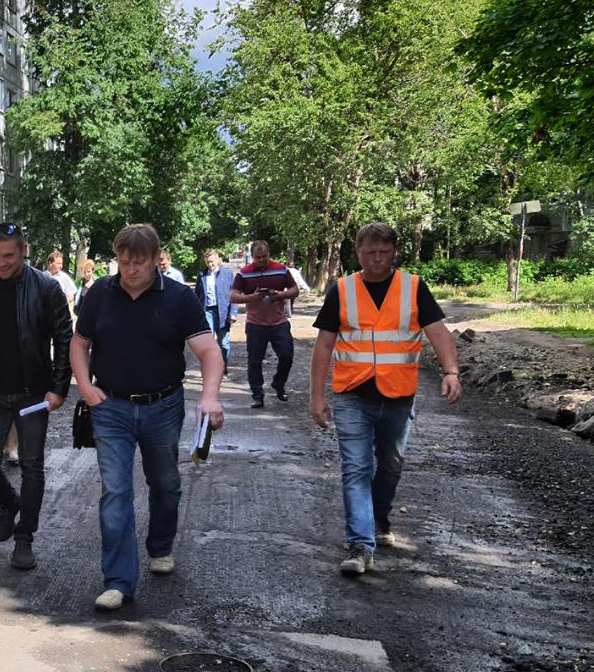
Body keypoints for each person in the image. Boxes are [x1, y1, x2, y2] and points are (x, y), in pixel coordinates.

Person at [71, 224, 225, 611]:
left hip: (163, 406)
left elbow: (209, 352)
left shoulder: (178, 297)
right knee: (116, 492)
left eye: (137, 262)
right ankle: (118, 581)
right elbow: (79, 343)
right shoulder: (100, 294)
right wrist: (86, 388)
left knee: (165, 483)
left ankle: (160, 545)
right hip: (111, 409)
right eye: (123, 261)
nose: (129, 269)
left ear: (157, 259)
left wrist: (210, 397)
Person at [309, 222, 461, 575]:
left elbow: (437, 331)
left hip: (398, 395)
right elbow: (324, 345)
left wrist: (451, 370)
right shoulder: (342, 290)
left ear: (394, 252)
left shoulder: (413, 287)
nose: (376, 259)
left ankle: (379, 518)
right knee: (356, 468)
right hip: (351, 395)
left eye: (383, 252)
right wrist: (317, 396)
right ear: (358, 253)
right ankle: (360, 545)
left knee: (391, 465)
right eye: (369, 253)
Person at [0, 222, 73, 570]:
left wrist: (59, 387)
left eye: (8, 256)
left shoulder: (46, 289)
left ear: (24, 250)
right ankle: (8, 501)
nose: (1, 263)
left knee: (33, 466)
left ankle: (25, 538)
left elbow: (65, 339)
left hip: (33, 393)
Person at [230, 240, 298, 409]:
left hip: (278, 322)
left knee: (287, 355)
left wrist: (280, 295)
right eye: (258, 257)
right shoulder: (244, 273)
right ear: (252, 257)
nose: (261, 260)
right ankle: (257, 395)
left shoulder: (281, 269)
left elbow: (295, 290)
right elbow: (233, 296)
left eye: (264, 256)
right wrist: (251, 297)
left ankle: (278, 383)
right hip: (255, 324)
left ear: (269, 253)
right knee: (254, 361)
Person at [193, 249, 238, 373]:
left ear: (218, 259)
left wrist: (233, 312)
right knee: (208, 342)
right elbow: (197, 296)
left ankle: (223, 366)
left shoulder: (227, 274)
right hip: (207, 311)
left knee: (223, 343)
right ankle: (210, 369)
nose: (210, 264)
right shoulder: (202, 275)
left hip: (223, 312)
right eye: (207, 262)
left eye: (212, 261)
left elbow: (234, 294)